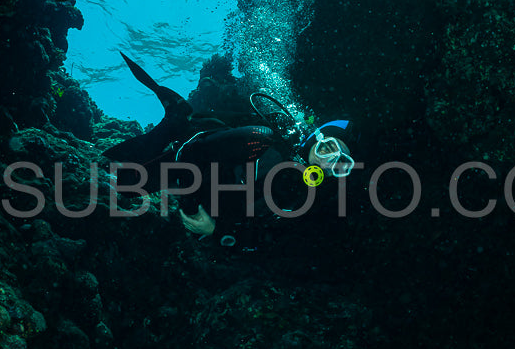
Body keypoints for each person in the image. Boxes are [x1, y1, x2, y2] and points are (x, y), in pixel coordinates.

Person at [104, 53, 354, 245]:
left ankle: (173, 138)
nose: (329, 162)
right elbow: (229, 129)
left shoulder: (304, 200)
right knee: (117, 184)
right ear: (317, 139)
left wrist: (216, 231)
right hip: (196, 159)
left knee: (123, 188)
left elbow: (269, 238)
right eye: (329, 148)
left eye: (341, 165)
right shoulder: (275, 140)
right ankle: (176, 127)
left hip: (210, 200)